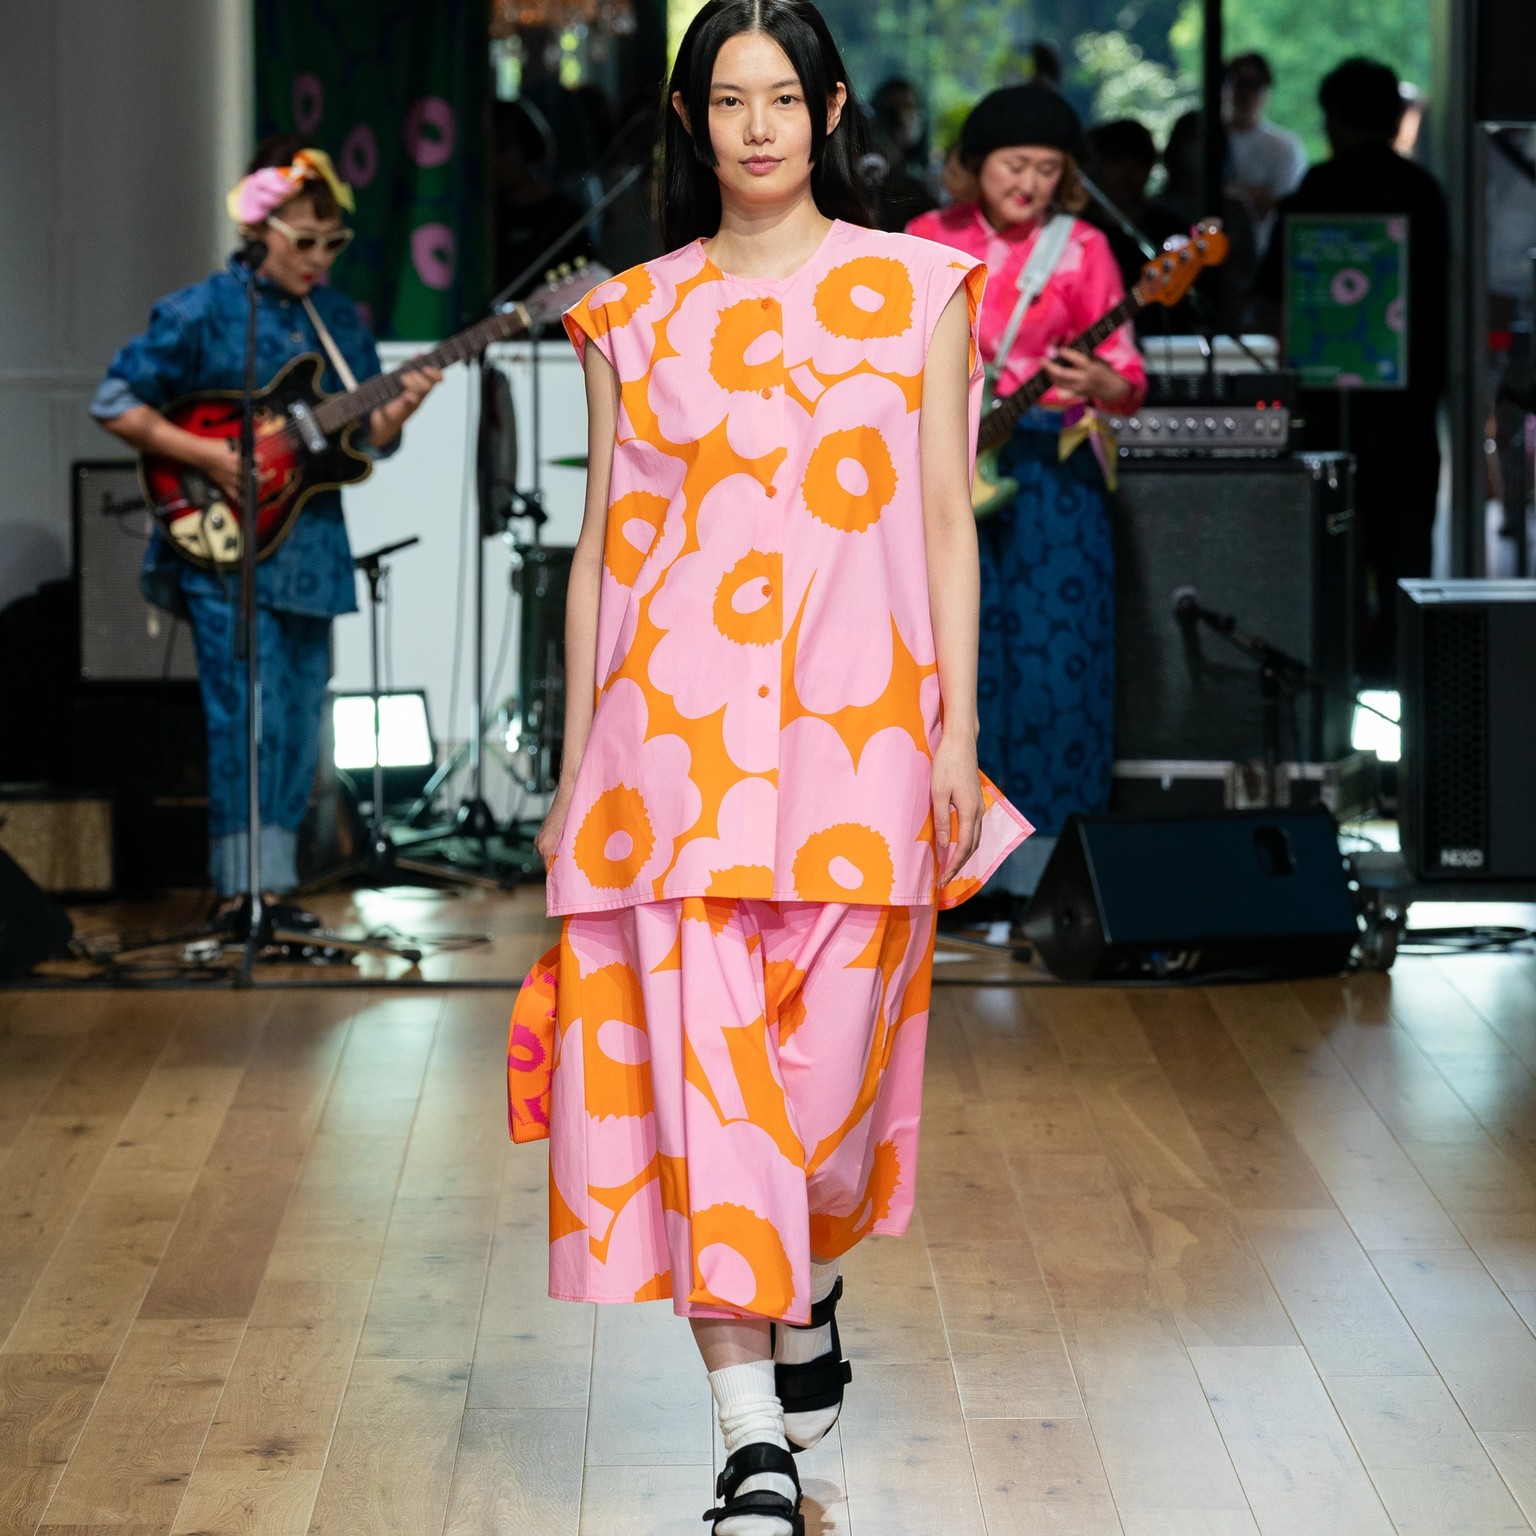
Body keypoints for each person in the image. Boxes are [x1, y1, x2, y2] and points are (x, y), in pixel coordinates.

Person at [529, 3, 1030, 1530]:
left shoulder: (919, 289)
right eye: (726, 102)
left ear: (823, 113)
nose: (756, 126)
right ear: (691, 126)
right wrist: (570, 767)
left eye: (781, 98)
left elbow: (946, 519)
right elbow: (605, 548)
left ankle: (803, 1283)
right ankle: (749, 1432)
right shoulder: (632, 315)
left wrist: (956, 734)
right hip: (664, 749)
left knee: (825, 1093)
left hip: (867, 738)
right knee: (698, 1088)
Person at [93, 136, 441, 918]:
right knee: (240, 710)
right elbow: (116, 399)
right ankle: (235, 891)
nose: (319, 259)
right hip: (224, 545)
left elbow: (372, 438)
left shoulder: (337, 319)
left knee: (298, 709)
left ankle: (274, 886)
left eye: (332, 243)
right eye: (304, 242)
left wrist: (405, 403)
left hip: (311, 544)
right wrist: (208, 456)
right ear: (262, 233)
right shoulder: (201, 311)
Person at [907, 84, 1145, 898]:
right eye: (1015, 165)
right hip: (947, 473)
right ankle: (940, 870)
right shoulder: (922, 241)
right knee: (944, 668)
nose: (1031, 184)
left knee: (1057, 669)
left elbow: (1130, 384)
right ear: (972, 165)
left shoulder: (1084, 249)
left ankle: (1053, 883)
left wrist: (1104, 379)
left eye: (1049, 169)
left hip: (1052, 478)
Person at [1255, 57, 1450, 683]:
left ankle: (1332, 700)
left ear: (1332, 120)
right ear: (1395, 117)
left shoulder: (1316, 190)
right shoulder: (1424, 193)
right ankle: (1409, 693)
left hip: (1324, 415)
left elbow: (1268, 304)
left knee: (1327, 561)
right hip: (1408, 415)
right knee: (1406, 563)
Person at [1224, 51, 1308, 250]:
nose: (1245, 93)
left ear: (1266, 92)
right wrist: (1253, 195)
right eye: (1239, 82)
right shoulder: (1204, 139)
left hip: (1261, 256)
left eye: (1255, 85)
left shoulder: (1285, 146)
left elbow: (1279, 207)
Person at [1083, 117, 1159, 294]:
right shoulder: (1077, 234)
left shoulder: (1165, 229)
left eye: (1140, 160)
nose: (1129, 172)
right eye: (1116, 159)